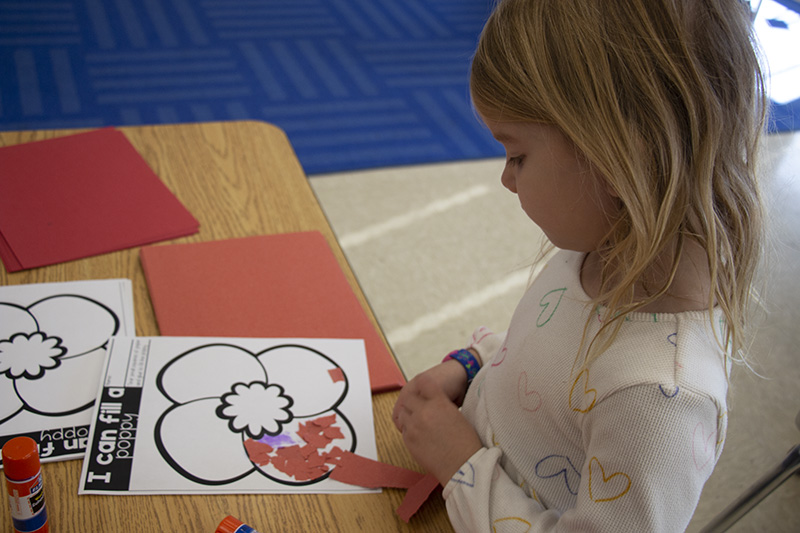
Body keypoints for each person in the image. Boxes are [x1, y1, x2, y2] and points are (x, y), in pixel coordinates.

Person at [392, 0, 767, 531]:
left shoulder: (660, 398)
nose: (506, 177)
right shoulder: (606, 242)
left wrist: (462, 467)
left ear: (616, 157)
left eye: (516, 155)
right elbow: (550, 356)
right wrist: (473, 363)